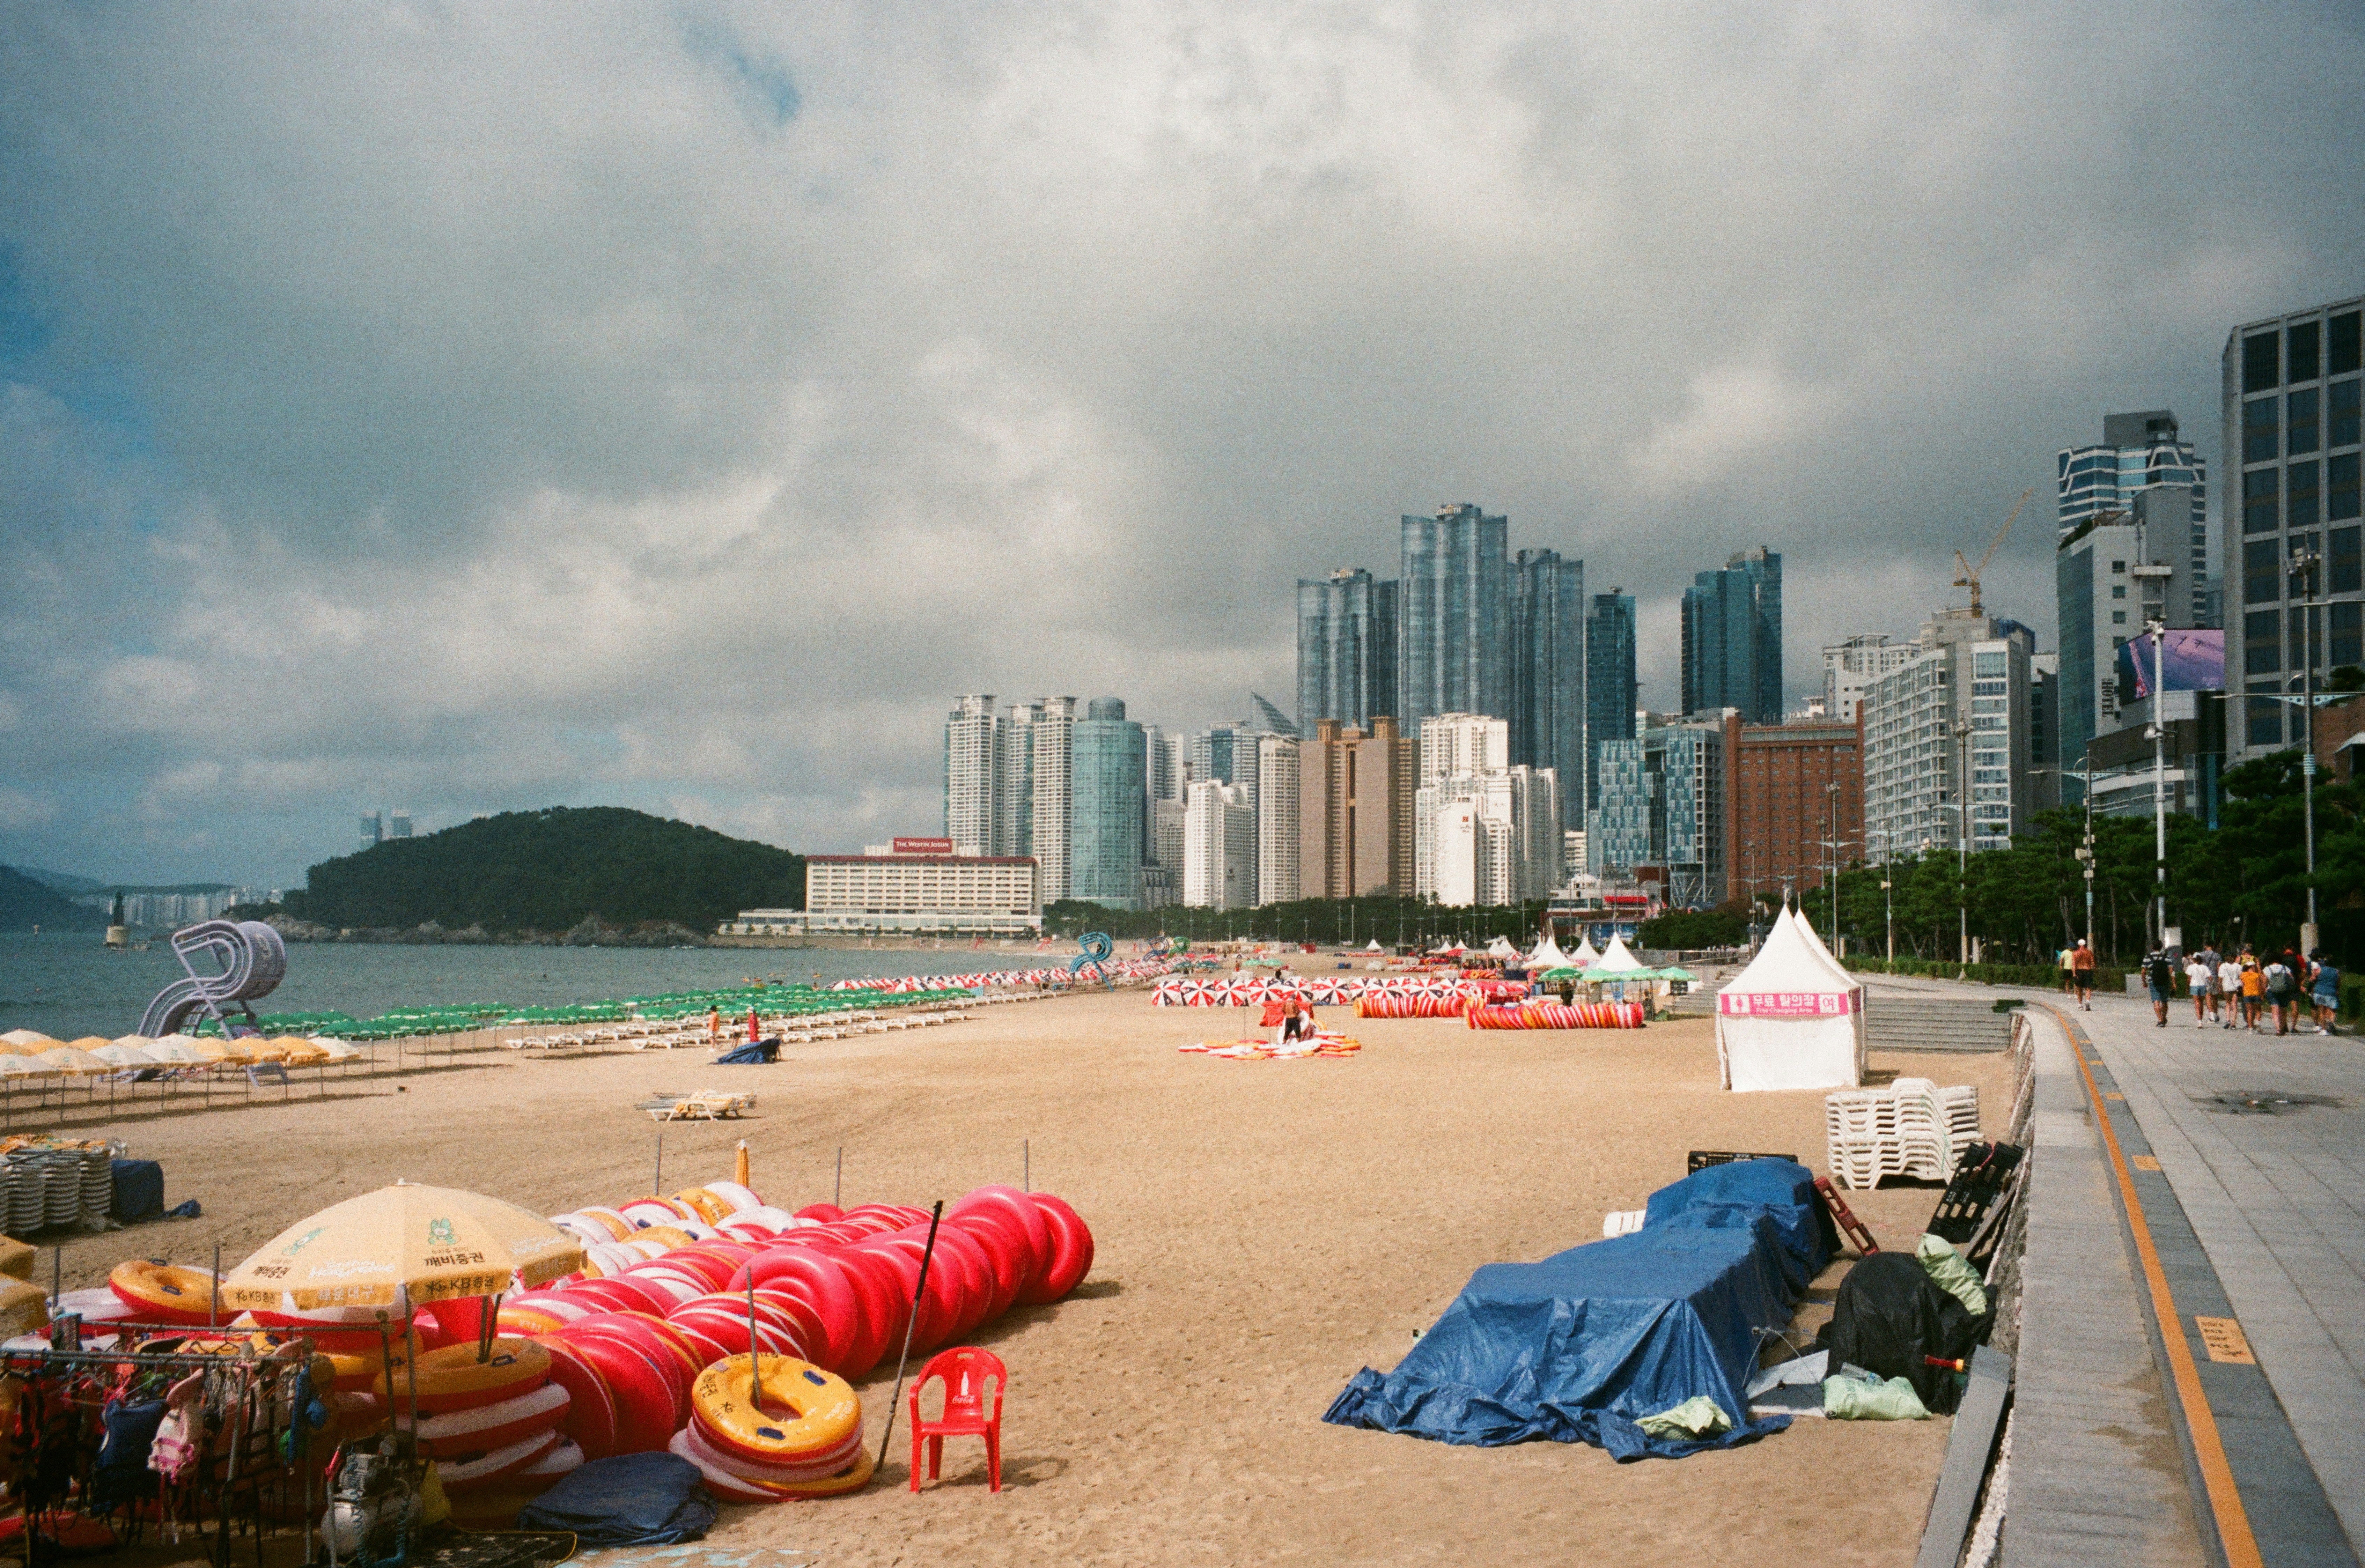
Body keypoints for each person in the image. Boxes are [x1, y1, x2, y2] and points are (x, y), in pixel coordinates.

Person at [2263, 953, 2297, 1035]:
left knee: (2275, 1012)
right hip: (2284, 991)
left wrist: (2264, 990)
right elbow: (2292, 979)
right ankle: (2282, 1027)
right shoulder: (2285, 968)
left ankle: (2278, 1030)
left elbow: (2264, 982)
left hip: (2272, 991)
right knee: (2283, 1011)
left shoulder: (2267, 969)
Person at [2309, 950, 2342, 1036]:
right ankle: (2331, 1022)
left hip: (2319, 991)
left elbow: (2312, 980)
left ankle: (2324, 1030)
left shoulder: (2319, 970)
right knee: (2332, 1010)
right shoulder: (2337, 972)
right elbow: (2338, 983)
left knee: (2322, 1011)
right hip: (2331, 992)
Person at [2144, 947, 2174, 1028]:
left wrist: (2144, 982)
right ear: (2161, 947)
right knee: (2164, 1001)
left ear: (2153, 947)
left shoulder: (2148, 957)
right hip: (2165, 981)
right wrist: (2173, 983)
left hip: (2153, 981)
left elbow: (2143, 971)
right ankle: (2164, 1018)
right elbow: (2171, 970)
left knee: (2156, 1001)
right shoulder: (2167, 957)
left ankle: (2160, 1021)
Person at [2186, 950, 2216, 1026]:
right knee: (2202, 1003)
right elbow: (2210, 978)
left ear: (2194, 959)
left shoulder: (2191, 967)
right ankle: (2201, 1019)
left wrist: (2187, 988)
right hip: (2203, 986)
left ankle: (2199, 1021)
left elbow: (2189, 979)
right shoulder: (2205, 967)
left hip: (2194, 986)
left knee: (2197, 1003)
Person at [2240, 953, 2265, 1031]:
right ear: (2252, 967)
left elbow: (2242, 984)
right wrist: (2262, 995)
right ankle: (2258, 1022)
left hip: (2247, 994)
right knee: (2258, 1010)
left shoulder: (2243, 975)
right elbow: (2259, 986)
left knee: (2249, 1011)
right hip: (2256, 994)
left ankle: (2250, 1028)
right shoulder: (2257, 975)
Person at [2070, 939, 2097, 1010]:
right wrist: (2094, 969)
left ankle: (2080, 1005)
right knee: (2088, 988)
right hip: (2088, 971)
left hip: (2079, 971)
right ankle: (2088, 1001)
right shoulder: (2089, 953)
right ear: (2085, 945)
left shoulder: (2075, 953)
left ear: (2079, 945)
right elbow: (2093, 964)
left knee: (2079, 989)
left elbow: (2074, 964)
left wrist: (2074, 974)